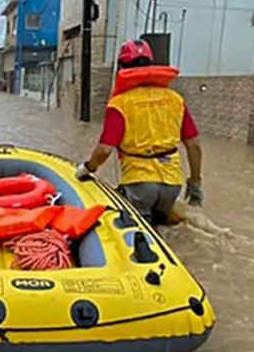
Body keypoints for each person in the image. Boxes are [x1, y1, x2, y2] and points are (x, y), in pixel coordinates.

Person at [75, 39, 204, 226]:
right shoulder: (175, 99)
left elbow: (104, 150)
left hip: (139, 184)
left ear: (121, 68)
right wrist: (195, 181)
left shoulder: (120, 103)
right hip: (173, 184)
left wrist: (88, 168)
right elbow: (194, 145)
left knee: (138, 233)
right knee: (162, 229)